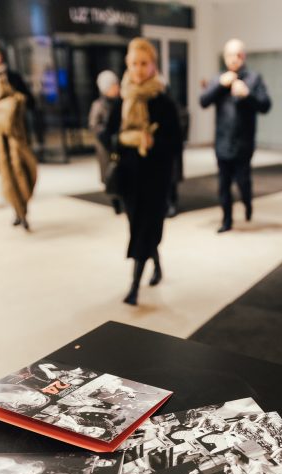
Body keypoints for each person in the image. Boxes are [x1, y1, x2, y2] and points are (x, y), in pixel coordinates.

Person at [100, 38, 182, 305]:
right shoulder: (122, 100)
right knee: (139, 227)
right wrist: (127, 138)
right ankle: (156, 265)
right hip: (129, 177)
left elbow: (176, 142)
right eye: (134, 63)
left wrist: (152, 141)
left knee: (146, 227)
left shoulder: (163, 101)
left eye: (143, 63)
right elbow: (106, 136)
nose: (138, 69)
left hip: (156, 178)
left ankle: (134, 286)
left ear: (153, 65)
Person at [200, 38, 271, 233]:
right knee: (223, 185)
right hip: (222, 142)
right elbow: (203, 101)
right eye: (230, 55)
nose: (234, 59)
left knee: (242, 182)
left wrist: (248, 94)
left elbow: (265, 105)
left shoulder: (254, 79)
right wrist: (219, 85)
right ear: (225, 57)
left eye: (238, 55)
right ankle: (227, 221)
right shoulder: (219, 79)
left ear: (243, 56)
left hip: (244, 143)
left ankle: (247, 203)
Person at [0, 70, 37, 230]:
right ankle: (19, 212)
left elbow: (6, 121)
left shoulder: (14, 100)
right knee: (9, 182)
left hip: (17, 146)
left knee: (23, 176)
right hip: (1, 149)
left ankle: (22, 210)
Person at [88, 70, 122, 213]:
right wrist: (108, 136)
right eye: (113, 85)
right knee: (111, 175)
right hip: (106, 148)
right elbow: (95, 126)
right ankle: (116, 203)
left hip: (120, 146)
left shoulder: (121, 102)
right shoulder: (98, 105)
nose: (117, 88)